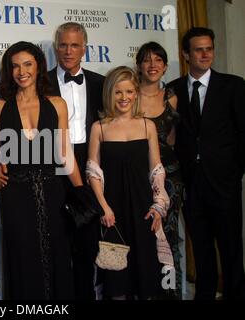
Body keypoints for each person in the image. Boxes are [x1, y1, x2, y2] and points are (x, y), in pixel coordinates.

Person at [0, 41, 83, 299]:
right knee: (22, 259)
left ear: (39, 66)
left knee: (57, 255)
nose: (21, 71)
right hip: (15, 196)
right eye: (15, 66)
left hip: (53, 192)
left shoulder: (57, 104)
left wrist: (82, 192)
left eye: (27, 64)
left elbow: (65, 153)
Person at [168, 27, 245, 300]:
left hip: (224, 183)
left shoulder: (234, 86)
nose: (205, 54)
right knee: (200, 248)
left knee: (231, 248)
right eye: (198, 49)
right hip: (192, 186)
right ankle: (204, 294)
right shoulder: (173, 89)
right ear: (186, 54)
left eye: (208, 49)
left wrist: (234, 174)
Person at [86, 66, 169, 299]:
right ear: (110, 94)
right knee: (116, 275)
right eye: (118, 92)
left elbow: (156, 170)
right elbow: (93, 171)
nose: (124, 98)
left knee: (145, 273)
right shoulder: (99, 128)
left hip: (143, 209)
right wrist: (104, 206)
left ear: (136, 93)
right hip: (113, 211)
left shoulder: (147, 126)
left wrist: (158, 206)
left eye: (130, 92)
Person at [48, 22, 105, 300]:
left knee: (87, 243)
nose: (68, 51)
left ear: (84, 48)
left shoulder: (100, 82)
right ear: (55, 47)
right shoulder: (41, 82)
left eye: (74, 45)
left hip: (89, 163)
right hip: (51, 167)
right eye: (63, 45)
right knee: (57, 243)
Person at [136, 41, 184, 299]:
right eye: (147, 60)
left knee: (168, 237)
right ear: (139, 66)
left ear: (165, 66)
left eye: (158, 60)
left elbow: (173, 139)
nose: (152, 65)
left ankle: (170, 293)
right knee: (145, 236)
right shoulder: (129, 95)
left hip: (171, 180)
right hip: (140, 177)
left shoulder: (171, 97)